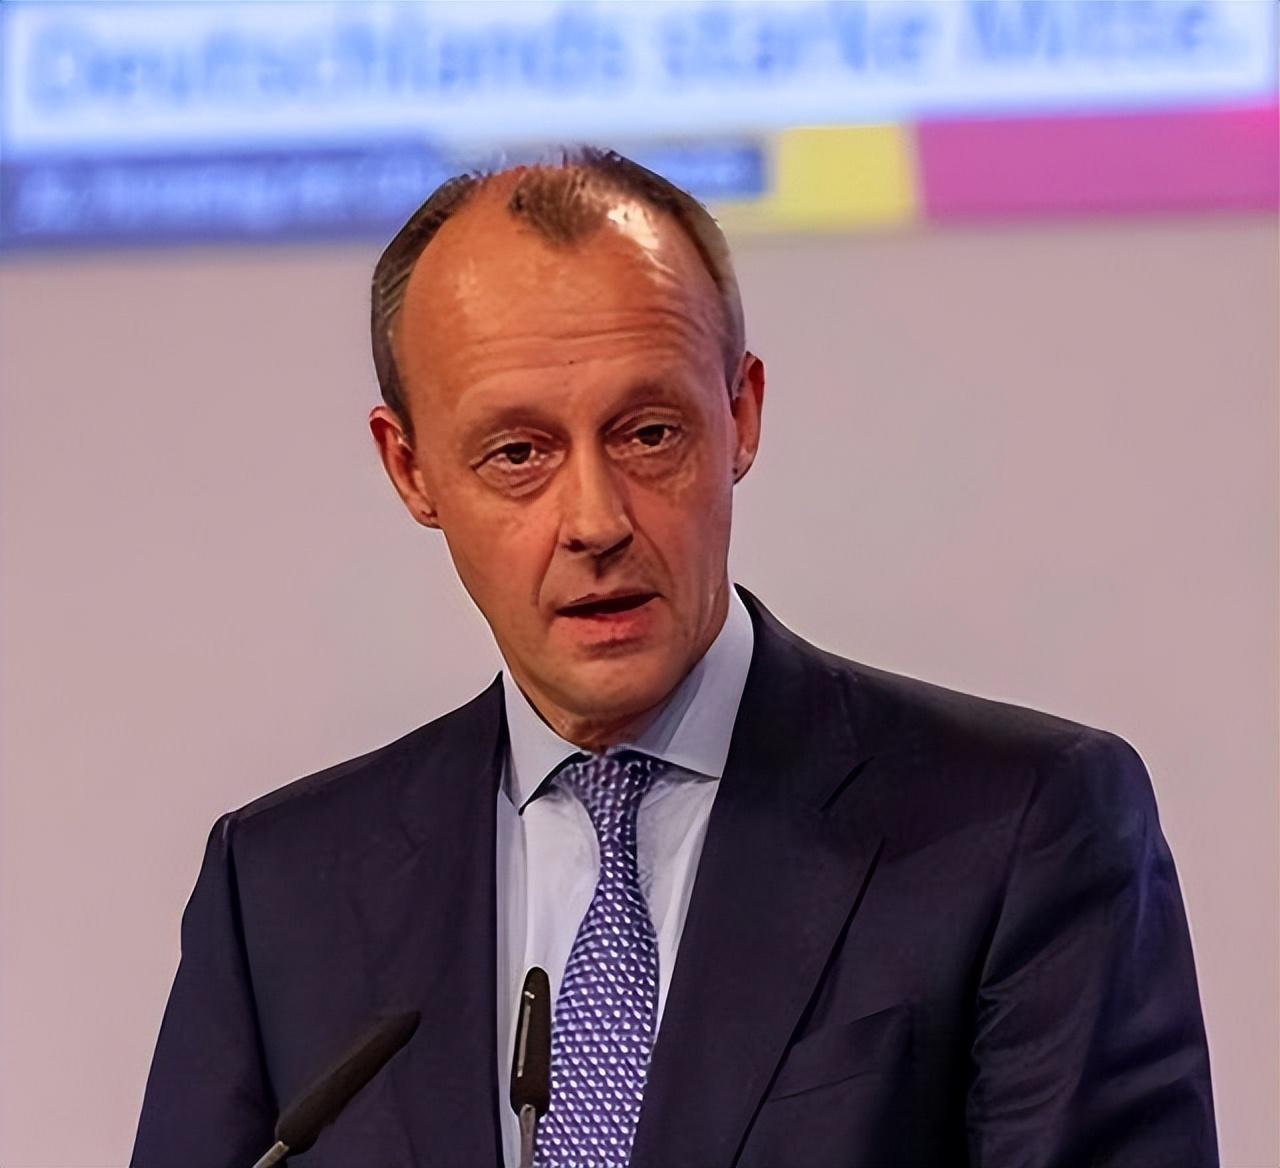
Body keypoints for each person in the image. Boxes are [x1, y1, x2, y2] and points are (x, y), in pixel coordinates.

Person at [133, 149, 1217, 1168]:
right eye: (518, 453)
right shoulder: (280, 890)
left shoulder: (1019, 828)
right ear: (410, 470)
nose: (595, 520)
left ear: (739, 416)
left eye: (648, 433)